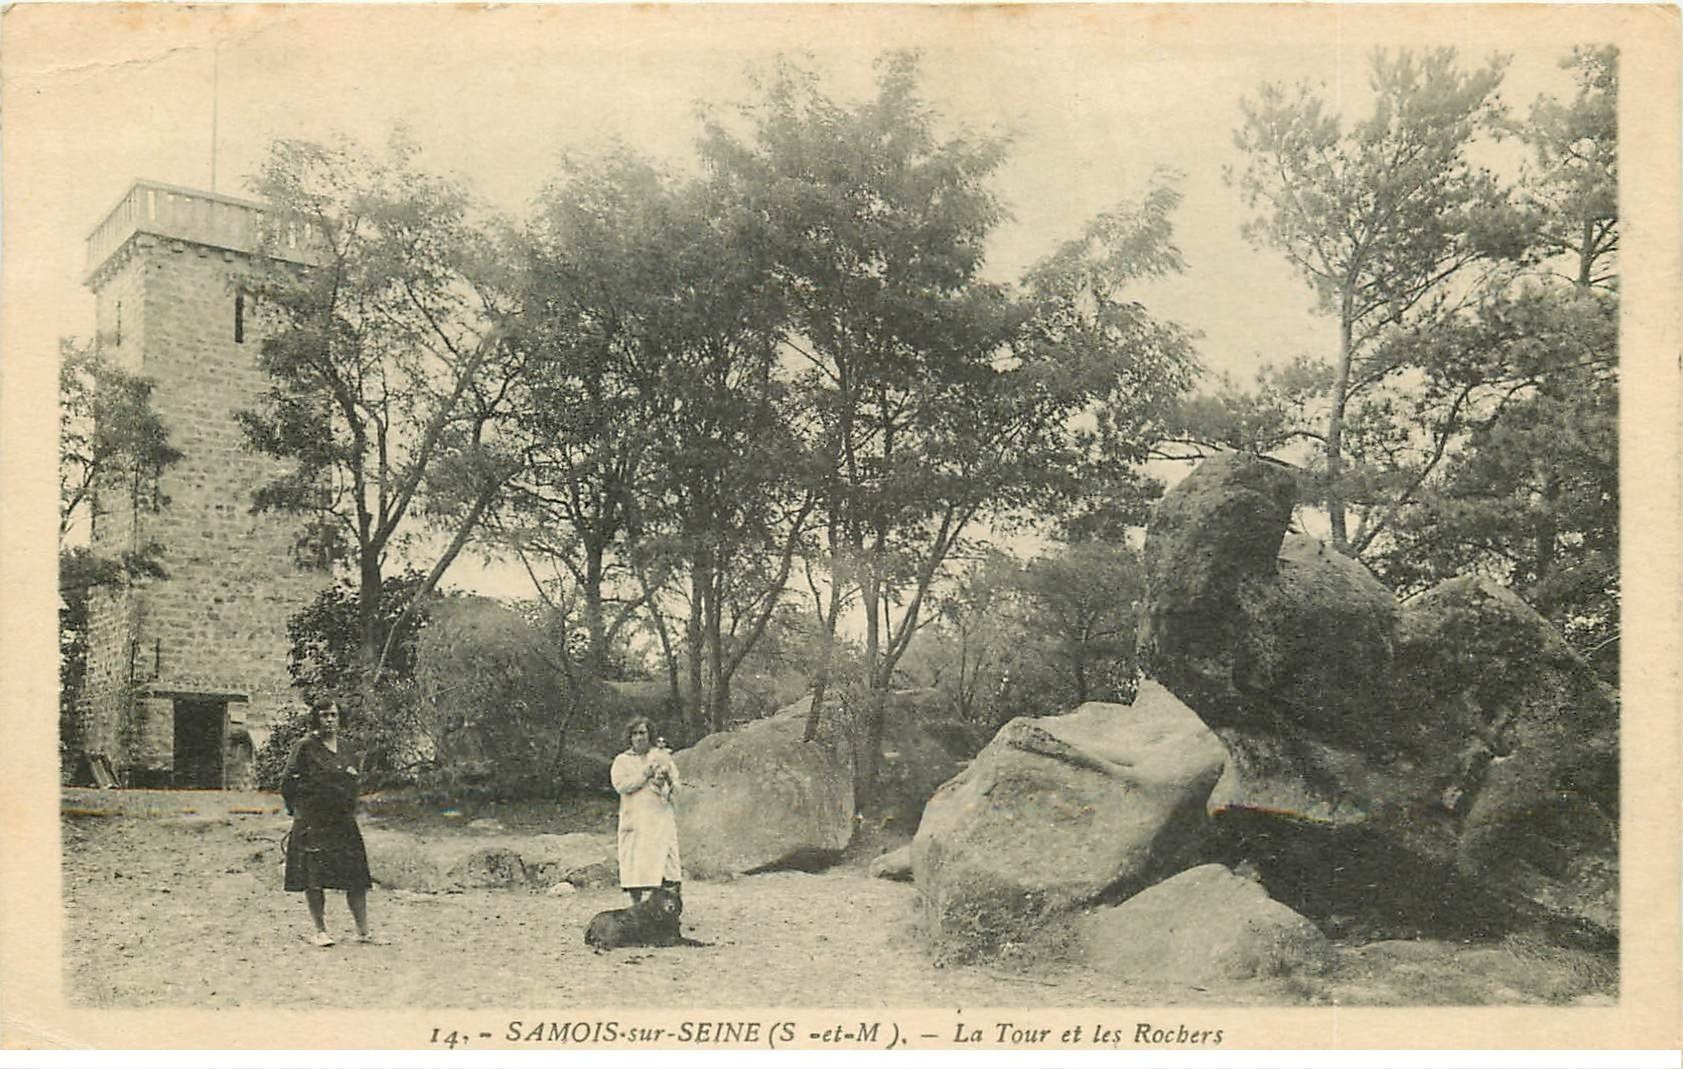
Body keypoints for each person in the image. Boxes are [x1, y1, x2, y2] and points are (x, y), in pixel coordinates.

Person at [281, 700, 382, 947]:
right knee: (314, 876)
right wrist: (298, 810)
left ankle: (363, 931)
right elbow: (288, 781)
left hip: (343, 819)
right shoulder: (305, 747)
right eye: (324, 715)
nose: (330, 720)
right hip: (313, 819)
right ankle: (320, 930)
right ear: (316, 718)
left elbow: (355, 780)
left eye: (334, 715)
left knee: (356, 876)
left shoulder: (347, 748)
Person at [609, 717, 682, 904]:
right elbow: (622, 786)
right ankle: (637, 909)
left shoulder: (661, 756)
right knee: (637, 863)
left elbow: (677, 785)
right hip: (636, 819)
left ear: (650, 735)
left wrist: (666, 782)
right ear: (630, 737)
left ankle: (668, 910)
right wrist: (645, 774)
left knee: (665, 864)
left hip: (659, 818)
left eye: (643, 732)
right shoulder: (622, 760)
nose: (639, 737)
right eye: (635, 733)